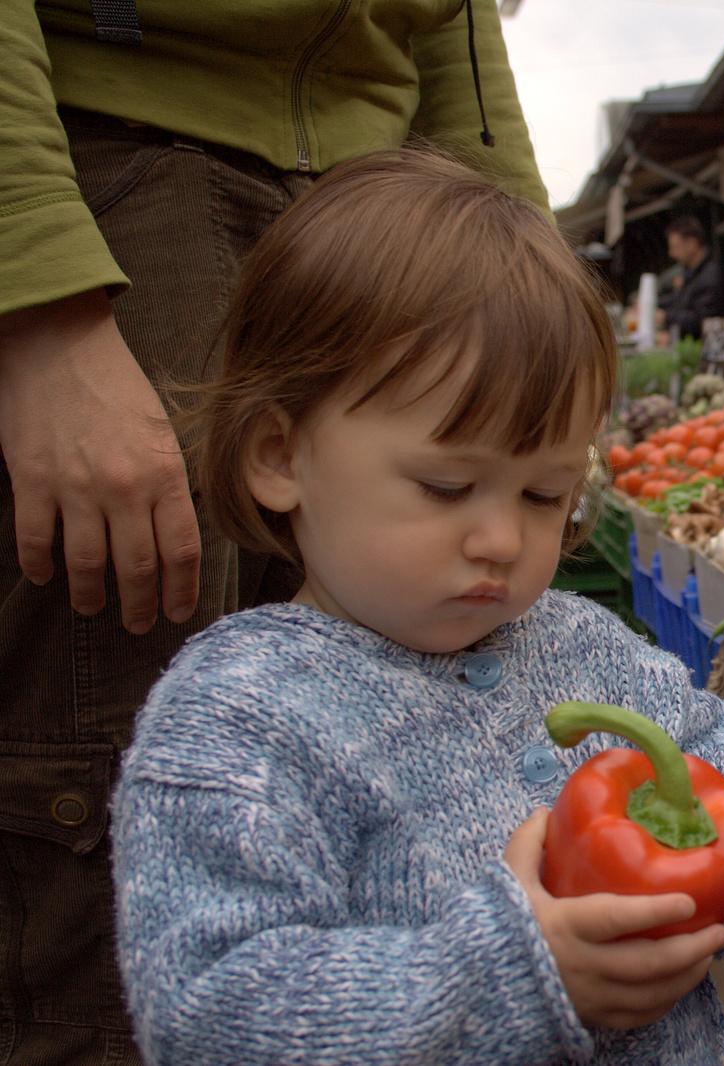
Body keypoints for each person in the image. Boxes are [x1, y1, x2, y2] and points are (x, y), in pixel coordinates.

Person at [110, 149, 724, 1065]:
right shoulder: (237, 719)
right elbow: (206, 1013)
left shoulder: (591, 652)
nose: (503, 542)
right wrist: (500, 979)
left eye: (545, 495)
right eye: (446, 487)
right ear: (279, 455)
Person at [0, 5, 547, 1062]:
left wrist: (530, 293)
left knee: (375, 814)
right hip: (110, 158)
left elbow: (451, 23)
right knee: (110, 849)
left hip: (379, 223)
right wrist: (38, 298)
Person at [655, 214, 724, 340]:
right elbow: (680, 301)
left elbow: (701, 320)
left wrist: (665, 317)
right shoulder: (691, 272)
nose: (671, 253)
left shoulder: (711, 275)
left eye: (675, 247)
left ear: (691, 244)